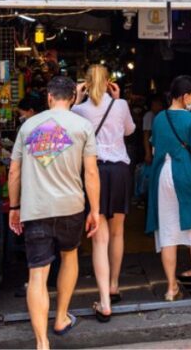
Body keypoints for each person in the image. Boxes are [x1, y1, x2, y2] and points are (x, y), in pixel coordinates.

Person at [8, 76, 100, 349]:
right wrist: (94, 210)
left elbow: (14, 171)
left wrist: (14, 207)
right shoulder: (83, 126)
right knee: (69, 256)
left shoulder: (28, 126)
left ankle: (41, 343)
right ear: (73, 97)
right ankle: (60, 318)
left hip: (35, 208)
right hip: (71, 206)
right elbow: (91, 172)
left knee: (37, 273)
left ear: (49, 97)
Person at [146, 75, 191, 301]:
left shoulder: (159, 118)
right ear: (185, 96)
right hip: (186, 174)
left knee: (168, 234)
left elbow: (156, 146)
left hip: (162, 176)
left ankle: (171, 289)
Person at [71, 65, 136, 321]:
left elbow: (72, 132)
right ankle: (114, 284)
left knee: (100, 237)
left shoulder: (79, 110)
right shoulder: (120, 105)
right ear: (109, 82)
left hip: (94, 172)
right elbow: (129, 130)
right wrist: (118, 99)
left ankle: (105, 301)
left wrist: (77, 97)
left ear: (85, 83)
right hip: (119, 171)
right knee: (118, 231)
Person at [142, 94, 165, 165]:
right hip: (151, 148)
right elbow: (146, 135)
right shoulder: (149, 115)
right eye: (158, 104)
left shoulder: (160, 115)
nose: (160, 106)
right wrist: (148, 153)